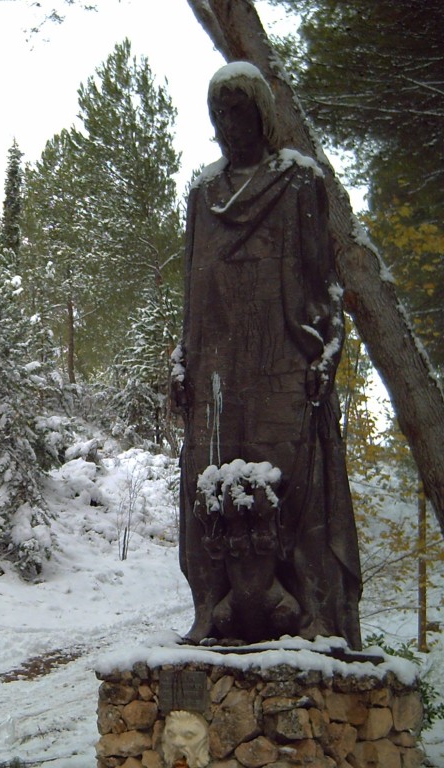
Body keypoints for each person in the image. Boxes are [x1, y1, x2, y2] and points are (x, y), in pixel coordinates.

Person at [172, 62, 361, 648]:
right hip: (217, 368)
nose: (229, 124)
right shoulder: (203, 194)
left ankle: (308, 614)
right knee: (207, 484)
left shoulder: (298, 182)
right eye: (219, 114)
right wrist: (182, 359)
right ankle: (214, 609)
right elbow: (192, 292)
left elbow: (323, 281)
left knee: (294, 485)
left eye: (239, 111)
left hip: (282, 362)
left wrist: (328, 351)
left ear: (262, 113)